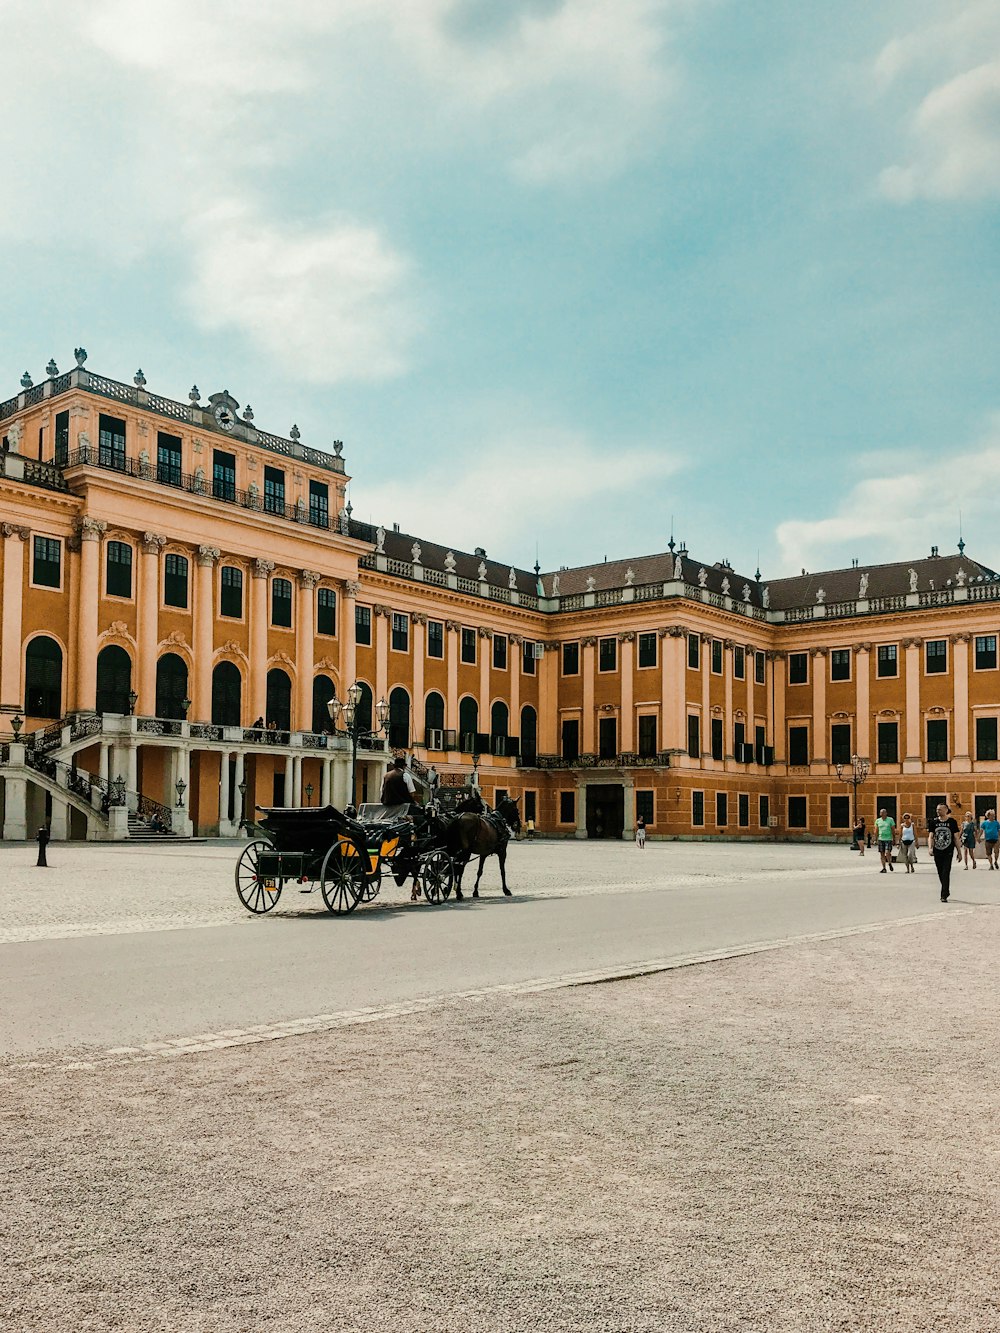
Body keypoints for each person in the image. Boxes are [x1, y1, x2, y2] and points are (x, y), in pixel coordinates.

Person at [927, 803, 960, 902]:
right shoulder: (933, 822)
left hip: (948, 851)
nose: (938, 811)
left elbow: (956, 837)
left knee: (946, 872)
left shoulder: (952, 822)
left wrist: (959, 851)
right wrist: (930, 848)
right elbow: (931, 836)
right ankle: (946, 889)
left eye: (940, 810)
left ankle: (943, 894)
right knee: (940, 872)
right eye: (937, 810)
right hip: (937, 851)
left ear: (946, 810)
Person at [875, 807, 896, 873]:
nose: (882, 813)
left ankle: (889, 862)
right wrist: (875, 839)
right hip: (881, 839)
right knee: (882, 854)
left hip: (888, 839)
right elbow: (876, 830)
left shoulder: (890, 820)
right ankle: (884, 868)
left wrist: (894, 838)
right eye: (881, 812)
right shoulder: (878, 821)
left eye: (883, 812)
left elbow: (893, 829)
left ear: (886, 813)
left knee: (887, 852)